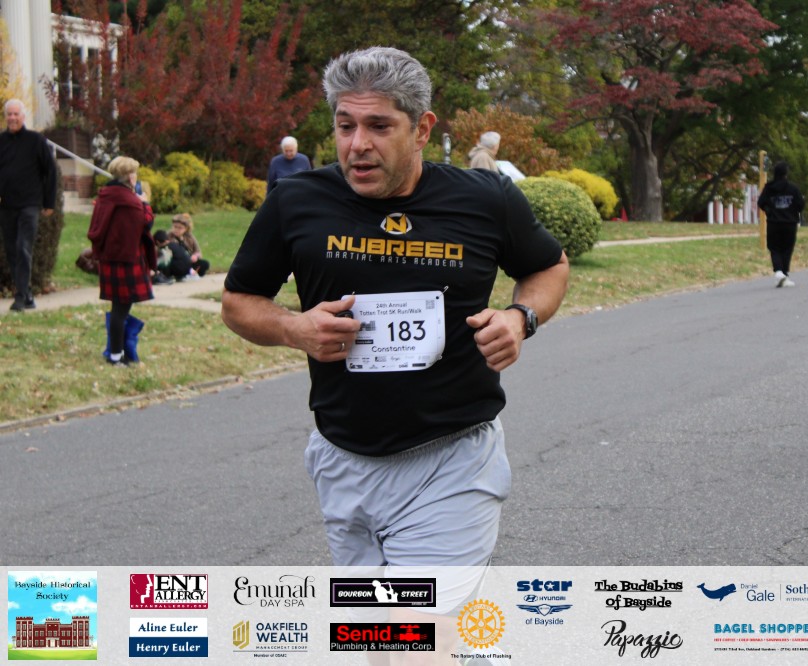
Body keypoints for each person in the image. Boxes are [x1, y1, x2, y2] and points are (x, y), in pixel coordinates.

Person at [221, 46, 568, 663]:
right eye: (345, 125)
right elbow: (238, 300)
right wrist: (294, 328)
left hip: (451, 460)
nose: (358, 144)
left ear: (422, 128)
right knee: (376, 641)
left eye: (379, 126)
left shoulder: (485, 199)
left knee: (418, 636)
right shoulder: (297, 201)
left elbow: (548, 267)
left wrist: (521, 318)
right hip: (343, 460)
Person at [87, 156, 156, 365]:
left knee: (119, 308)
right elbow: (145, 224)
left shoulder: (106, 195)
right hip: (127, 259)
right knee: (120, 310)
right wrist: (145, 203)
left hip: (110, 258)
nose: (136, 175)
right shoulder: (130, 201)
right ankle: (116, 356)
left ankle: (119, 351)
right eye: (134, 172)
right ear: (128, 176)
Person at [0, 99, 57, 311]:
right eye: (9, 114)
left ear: (23, 117)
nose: (12, 118)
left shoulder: (36, 140)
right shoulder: (1, 141)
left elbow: (50, 170)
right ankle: (28, 294)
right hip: (7, 205)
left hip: (30, 204)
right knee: (12, 251)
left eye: (16, 114)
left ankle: (20, 297)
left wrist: (49, 202)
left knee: (23, 247)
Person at [758, 160, 805, 288]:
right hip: (790, 223)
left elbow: (761, 202)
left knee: (774, 248)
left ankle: (779, 272)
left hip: (773, 223)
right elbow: (801, 205)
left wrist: (769, 211)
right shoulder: (793, 189)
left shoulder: (768, 188)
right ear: (786, 174)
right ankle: (784, 274)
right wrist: (792, 210)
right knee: (787, 249)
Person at [169, 213, 209, 277]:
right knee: (179, 267)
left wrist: (195, 256)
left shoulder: (189, 237)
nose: (176, 230)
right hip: (178, 262)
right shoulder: (169, 237)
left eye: (180, 228)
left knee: (205, 264)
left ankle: (192, 272)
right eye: (175, 227)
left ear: (186, 229)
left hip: (190, 261)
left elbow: (197, 251)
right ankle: (189, 272)